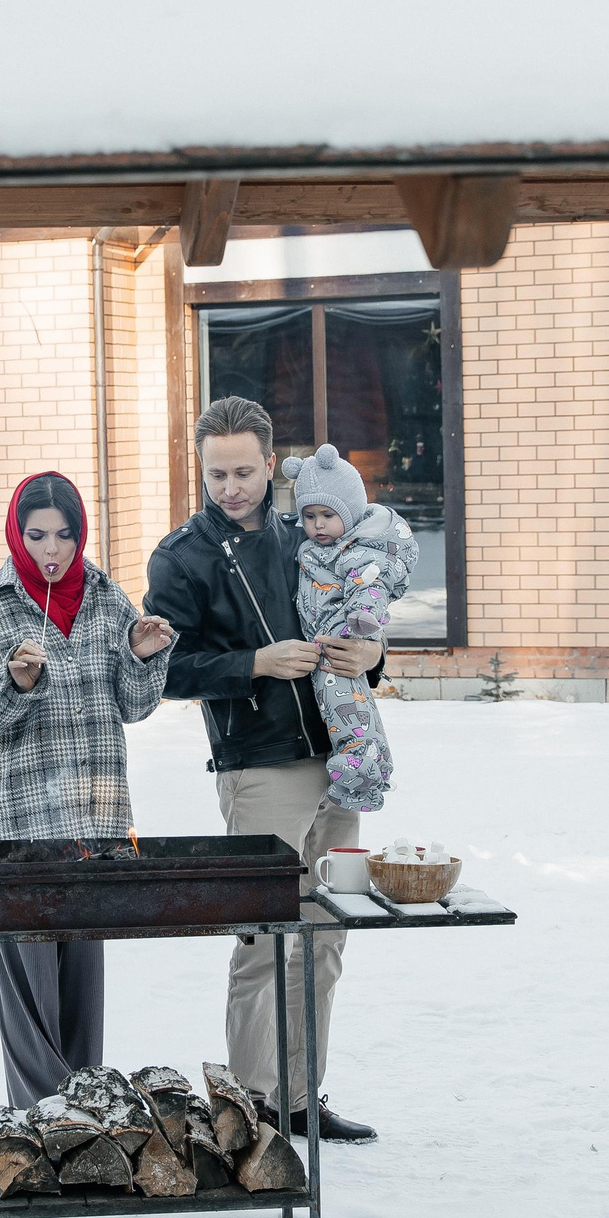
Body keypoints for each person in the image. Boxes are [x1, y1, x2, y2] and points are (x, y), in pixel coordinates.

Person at [146, 398, 382, 1142]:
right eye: (217, 473)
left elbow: (357, 618)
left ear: (271, 465)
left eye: (244, 471)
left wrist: (374, 657)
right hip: (258, 768)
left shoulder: (309, 537)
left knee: (328, 931)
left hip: (341, 764)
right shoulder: (178, 556)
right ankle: (250, 1111)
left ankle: (301, 1100)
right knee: (262, 940)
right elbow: (165, 670)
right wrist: (255, 663)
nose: (231, 487)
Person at [0, 471, 175, 1106]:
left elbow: (132, 705)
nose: (52, 549)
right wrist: (11, 687)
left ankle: (87, 1115)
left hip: (92, 825)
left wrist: (143, 656)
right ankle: (42, 1119)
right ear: (17, 534)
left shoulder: (105, 599)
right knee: (28, 984)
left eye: (64, 535)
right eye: (37, 534)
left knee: (81, 988)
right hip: (14, 828)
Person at [280, 443, 416, 813]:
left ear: (350, 512)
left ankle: (362, 766)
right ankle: (367, 761)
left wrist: (362, 620)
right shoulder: (313, 547)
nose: (317, 525)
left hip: (341, 640)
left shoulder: (358, 550)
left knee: (344, 703)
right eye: (309, 516)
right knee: (349, 706)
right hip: (320, 642)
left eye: (327, 515)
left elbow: (370, 587)